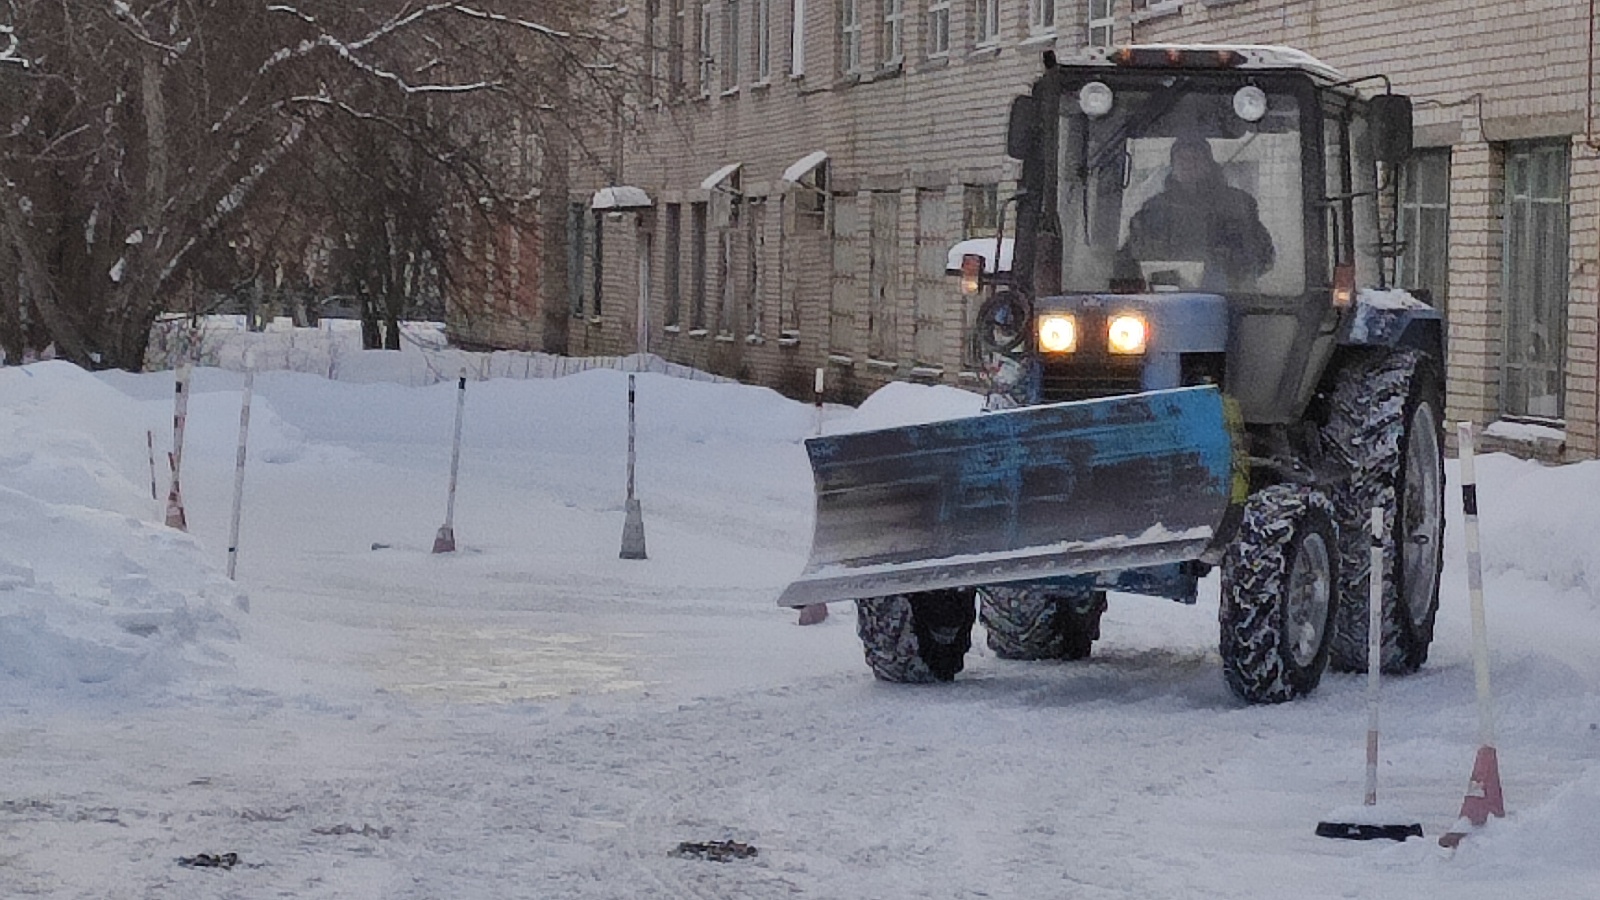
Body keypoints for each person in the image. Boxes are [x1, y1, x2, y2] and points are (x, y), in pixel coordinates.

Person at [1117, 135, 1275, 291]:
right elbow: (1130, 256)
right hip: (1163, 296)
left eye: (1195, 158)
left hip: (1227, 296)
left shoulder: (1237, 204)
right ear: (1173, 166)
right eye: (1182, 159)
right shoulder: (1153, 209)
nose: (1188, 165)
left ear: (1208, 164)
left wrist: (1231, 265)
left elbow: (1263, 255)